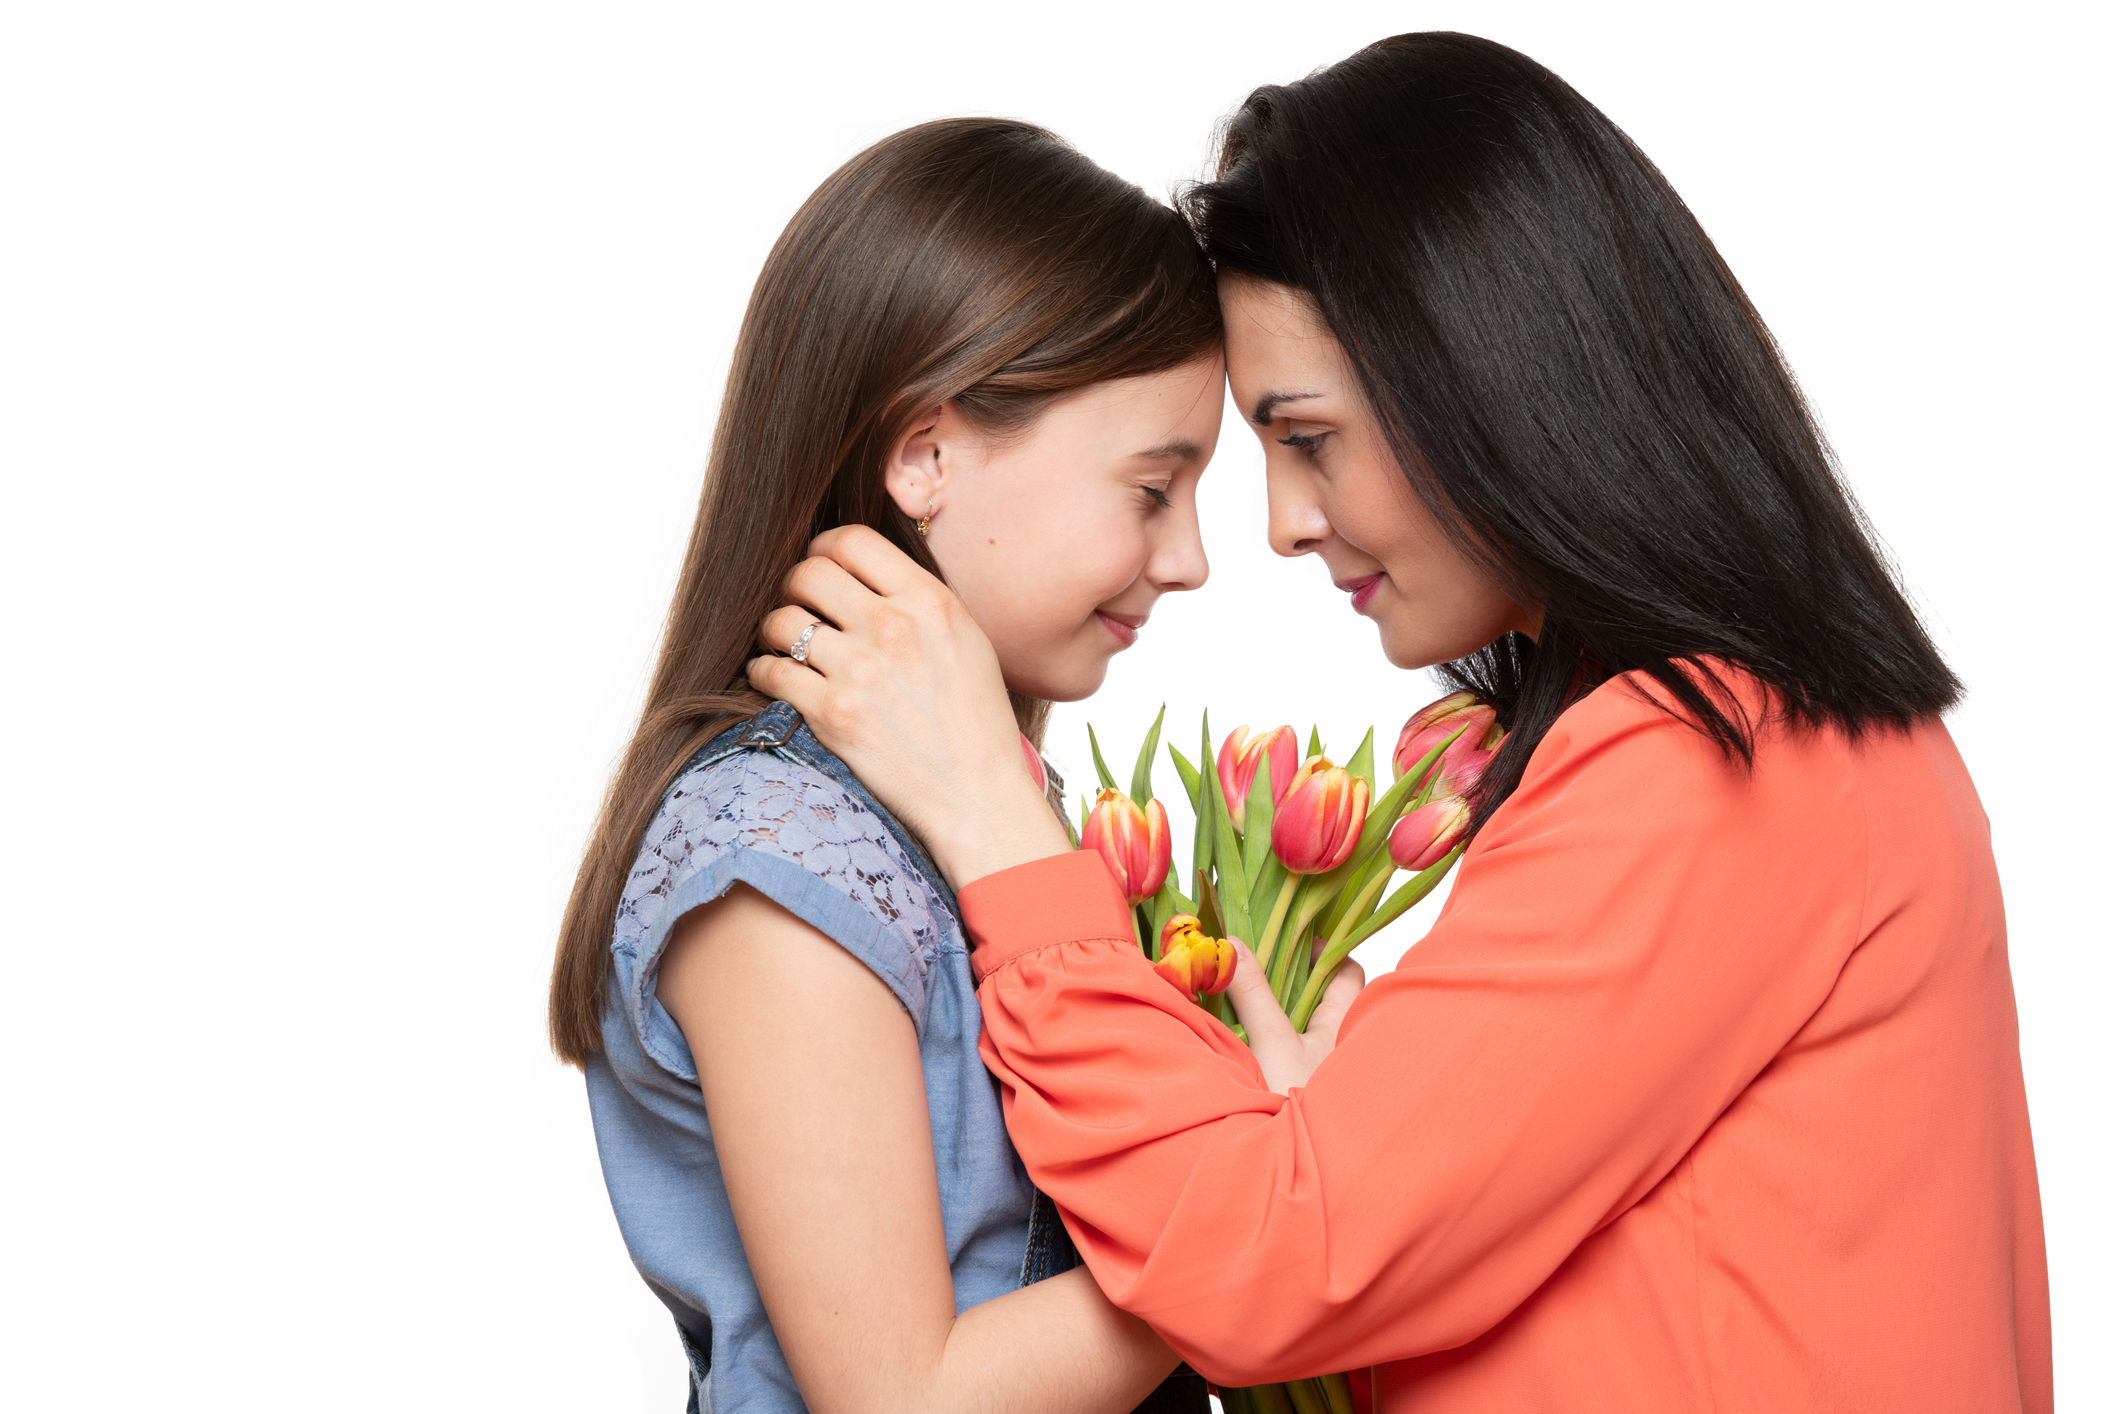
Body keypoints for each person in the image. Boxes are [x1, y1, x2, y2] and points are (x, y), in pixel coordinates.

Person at [746, 34, 2052, 1413]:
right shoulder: (1754, 738)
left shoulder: (1716, 760)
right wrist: (1334, 1137)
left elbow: (1275, 1255)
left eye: (1306, 437)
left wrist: (1000, 831)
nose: (1280, 525)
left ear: (1488, 380)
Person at [548, 117, 1228, 1413]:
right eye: (1152, 486)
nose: (1191, 555)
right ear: (924, 455)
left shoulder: (984, 809)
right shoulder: (778, 850)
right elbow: (902, 1397)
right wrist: (1283, 1212)